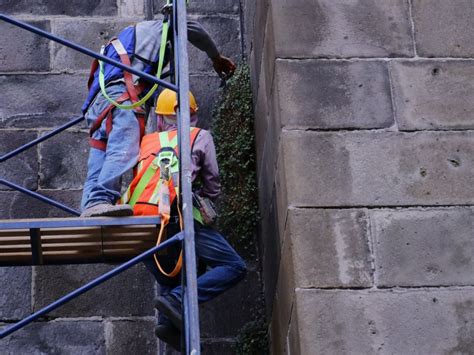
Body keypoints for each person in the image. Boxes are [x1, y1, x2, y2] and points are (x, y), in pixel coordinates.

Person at [80, 16, 236, 217]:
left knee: (101, 150)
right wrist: (216, 57)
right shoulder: (158, 28)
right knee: (124, 145)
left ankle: (91, 204)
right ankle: (102, 198)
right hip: (120, 94)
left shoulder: (131, 41)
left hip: (99, 102)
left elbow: (150, 91)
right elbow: (191, 27)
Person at [137, 89, 247, 351]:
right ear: (193, 114)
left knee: (175, 273)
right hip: (177, 218)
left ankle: (167, 320)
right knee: (234, 266)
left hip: (143, 226)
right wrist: (205, 199)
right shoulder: (199, 136)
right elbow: (213, 183)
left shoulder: (147, 142)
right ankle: (176, 301)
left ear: (161, 119)